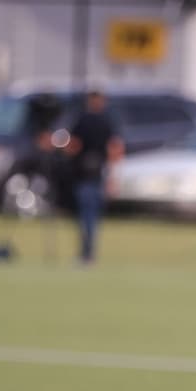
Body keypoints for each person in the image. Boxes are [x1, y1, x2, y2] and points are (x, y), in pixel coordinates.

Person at [68, 90, 123, 266]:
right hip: (97, 174)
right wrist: (113, 176)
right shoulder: (107, 121)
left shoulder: (82, 120)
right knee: (92, 216)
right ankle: (89, 253)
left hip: (83, 174)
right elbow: (114, 150)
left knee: (85, 216)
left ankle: (86, 253)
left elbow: (73, 146)